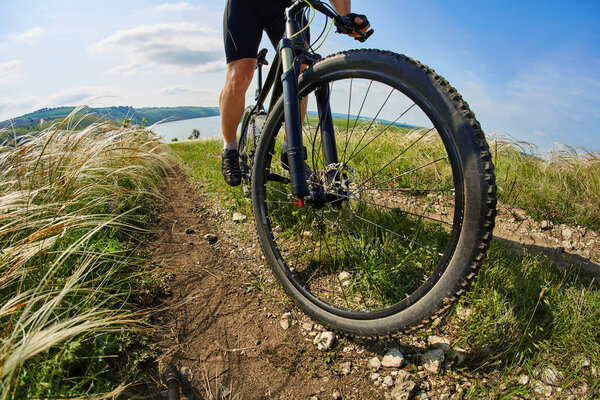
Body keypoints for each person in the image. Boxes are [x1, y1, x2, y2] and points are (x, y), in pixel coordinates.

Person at [220, 0, 370, 186]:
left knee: (300, 68)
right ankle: (230, 149)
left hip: (288, 4)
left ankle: (290, 148)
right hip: (245, 5)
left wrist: (345, 16)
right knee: (240, 74)